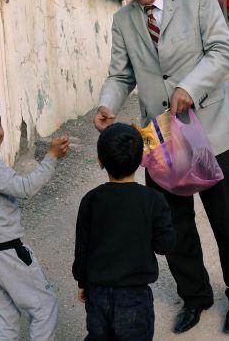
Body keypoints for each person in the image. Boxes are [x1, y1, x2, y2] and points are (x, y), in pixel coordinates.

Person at [93, 0, 229, 334]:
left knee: (228, 221)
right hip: (161, 138)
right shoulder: (124, 21)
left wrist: (190, 86)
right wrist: (107, 105)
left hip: (210, 130)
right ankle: (195, 296)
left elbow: (221, 51)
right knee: (173, 225)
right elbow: (120, 74)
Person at [0, 96, 69, 340]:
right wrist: (51, 158)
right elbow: (25, 188)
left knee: (5, 318)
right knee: (43, 307)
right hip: (4, 249)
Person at [72, 123, 176, 340]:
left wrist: (83, 282)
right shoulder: (152, 200)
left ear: (100, 161)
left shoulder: (91, 200)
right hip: (135, 295)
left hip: (97, 293)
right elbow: (165, 245)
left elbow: (82, 247)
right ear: (140, 161)